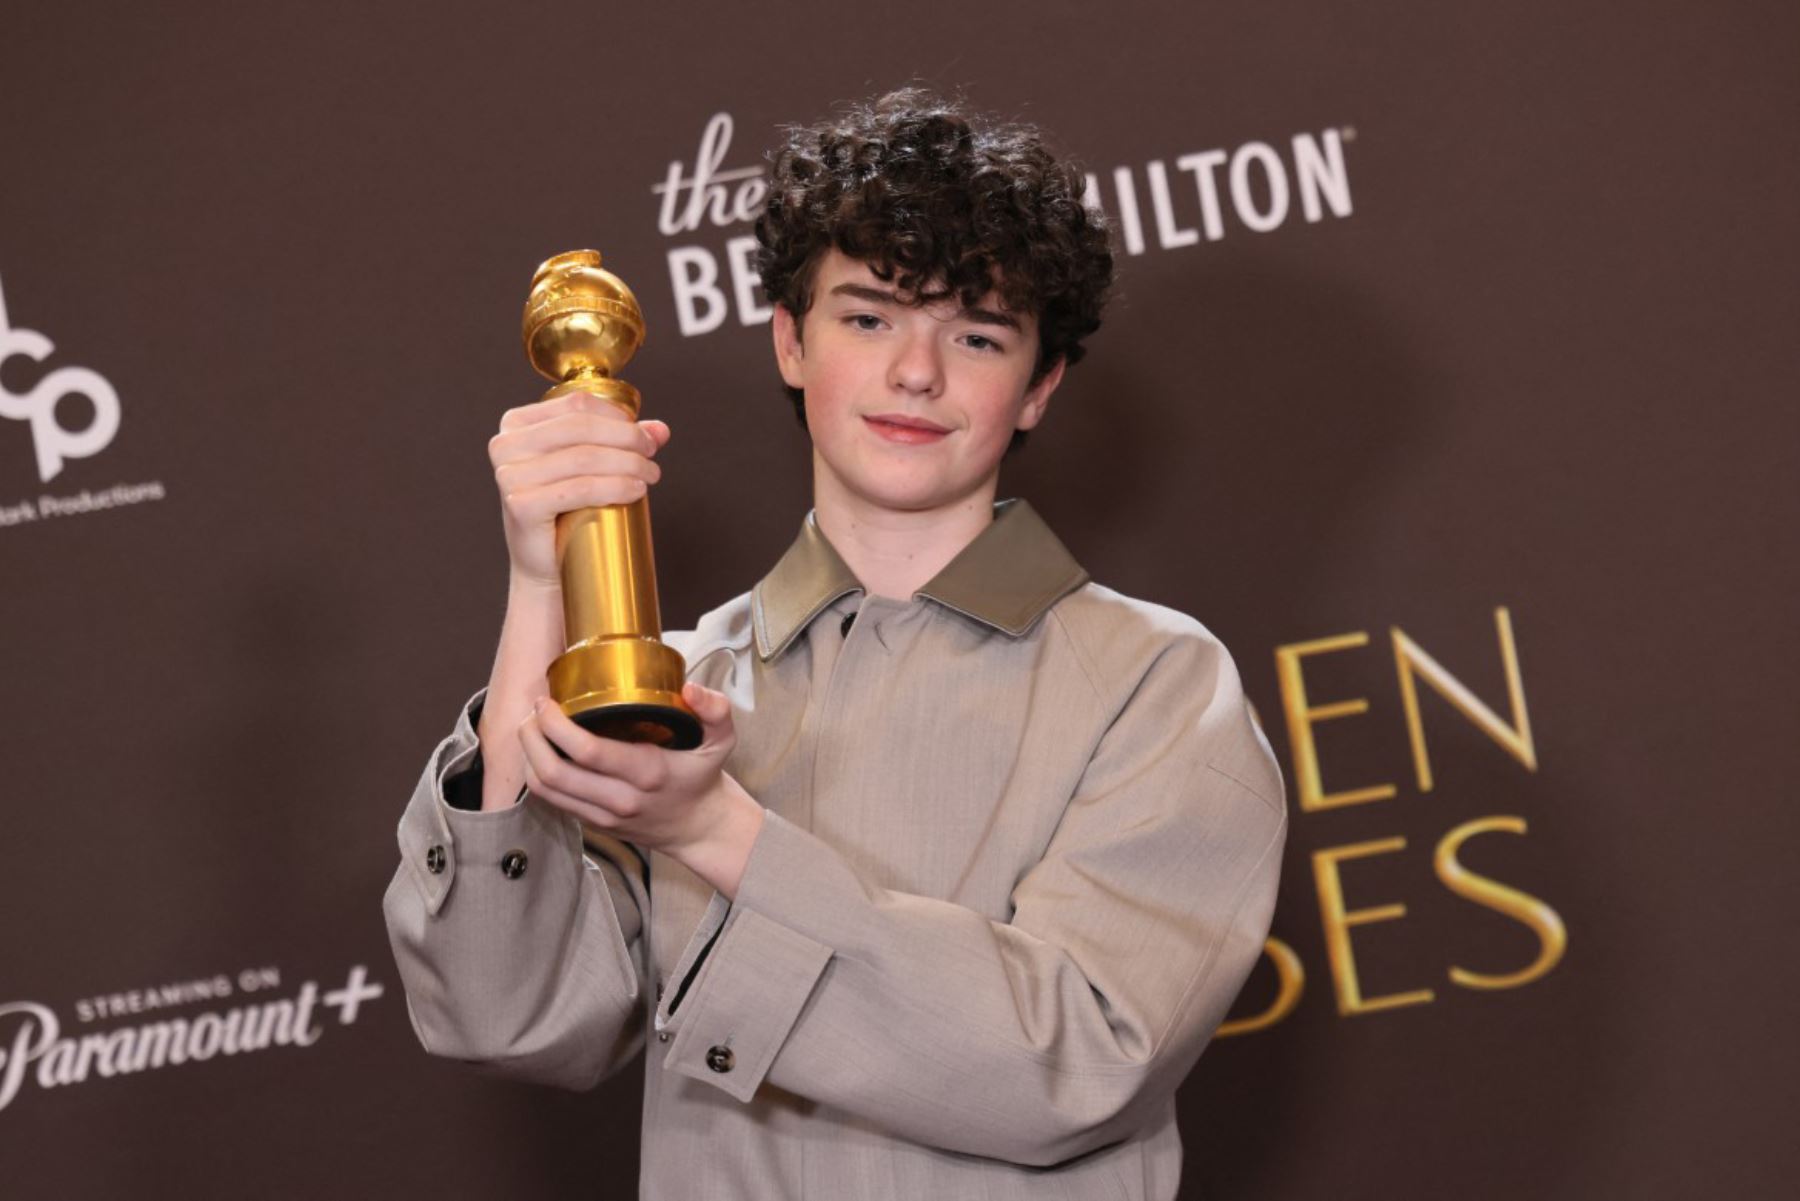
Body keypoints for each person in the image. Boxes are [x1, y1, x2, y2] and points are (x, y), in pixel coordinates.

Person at [383, 87, 1287, 1200]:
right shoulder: (681, 681)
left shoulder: (1155, 682)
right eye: (868, 318)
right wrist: (539, 583)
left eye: (977, 333)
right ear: (790, 343)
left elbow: (1080, 1063)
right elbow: (504, 1015)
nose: (918, 372)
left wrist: (715, 829)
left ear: (1039, 386)